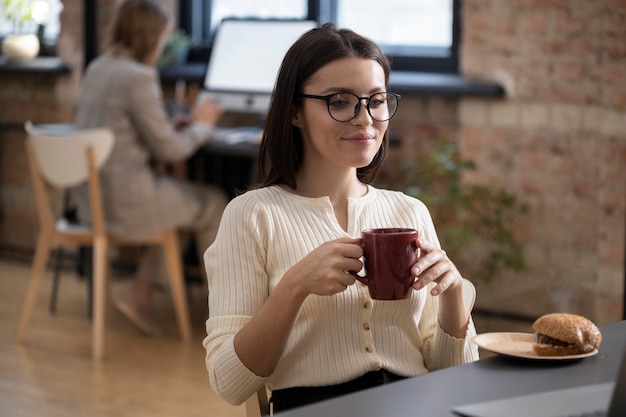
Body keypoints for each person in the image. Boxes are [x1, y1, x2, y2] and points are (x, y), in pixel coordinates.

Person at [202, 23, 479, 413]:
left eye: (376, 100)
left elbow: (455, 382)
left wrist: (452, 297)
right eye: (339, 101)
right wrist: (294, 286)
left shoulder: (409, 212)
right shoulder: (251, 216)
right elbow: (229, 383)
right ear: (295, 111)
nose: (365, 118)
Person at [70, 0, 228, 336]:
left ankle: (140, 292)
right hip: (127, 202)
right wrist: (204, 125)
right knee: (214, 202)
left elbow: (127, 130)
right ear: (150, 37)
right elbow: (170, 152)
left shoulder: (99, 67)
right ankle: (227, 314)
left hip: (92, 201)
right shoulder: (138, 76)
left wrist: (173, 123)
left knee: (185, 207)